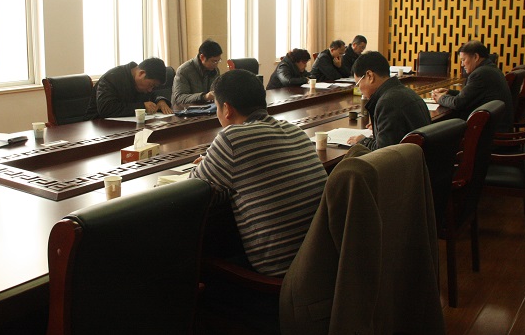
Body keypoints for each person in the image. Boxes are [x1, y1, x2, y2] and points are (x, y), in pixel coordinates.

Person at [190, 69, 328, 277]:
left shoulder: (232, 138)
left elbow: (195, 190)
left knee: (202, 264)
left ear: (226, 109)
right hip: (323, 263)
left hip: (283, 276)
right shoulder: (295, 131)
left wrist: (211, 165)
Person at [347, 51, 431, 149]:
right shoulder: (406, 92)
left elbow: (383, 151)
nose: (359, 89)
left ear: (370, 76)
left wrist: (362, 141)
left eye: (358, 84)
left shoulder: (387, 103)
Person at [432, 41, 513, 132]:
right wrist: (449, 92)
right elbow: (471, 96)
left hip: (488, 130)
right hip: (496, 125)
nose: (462, 64)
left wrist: (440, 98)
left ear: (476, 57)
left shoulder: (480, 74)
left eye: (463, 60)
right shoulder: (490, 69)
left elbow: (458, 103)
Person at [84, 58, 173, 119]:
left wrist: (160, 101)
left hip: (127, 126)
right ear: (141, 74)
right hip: (98, 126)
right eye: (151, 85)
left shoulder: (141, 84)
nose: (150, 89)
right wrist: (142, 107)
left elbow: (152, 96)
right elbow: (106, 109)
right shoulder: (111, 78)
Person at [171, 39, 222, 106]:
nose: (216, 65)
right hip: (185, 110)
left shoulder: (215, 70)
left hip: (206, 109)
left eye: (218, 61)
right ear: (202, 57)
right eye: (213, 61)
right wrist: (204, 97)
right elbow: (179, 98)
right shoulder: (184, 70)